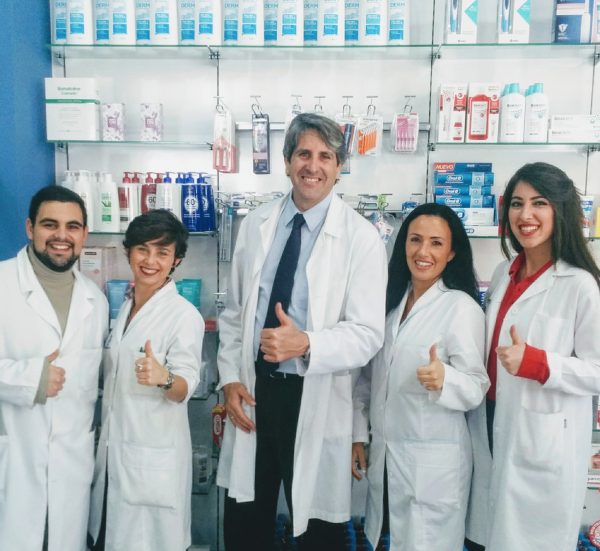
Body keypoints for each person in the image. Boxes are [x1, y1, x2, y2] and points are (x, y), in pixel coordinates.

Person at [216, 112, 387, 550]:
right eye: (304, 154)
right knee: (245, 524)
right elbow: (235, 313)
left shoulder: (361, 238)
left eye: (326, 156)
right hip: (254, 394)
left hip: (315, 394)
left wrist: (307, 343)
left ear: (340, 166)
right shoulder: (256, 225)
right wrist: (230, 378)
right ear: (287, 161)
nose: (313, 166)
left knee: (318, 533)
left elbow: (368, 333)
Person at [465, 162, 600, 551]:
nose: (525, 215)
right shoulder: (503, 272)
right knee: (486, 535)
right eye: (517, 203)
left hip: (542, 438)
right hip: (490, 420)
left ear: (560, 210)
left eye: (539, 203)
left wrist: (538, 364)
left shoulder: (580, 284)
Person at [352, 203, 489, 550]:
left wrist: (445, 379)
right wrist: (358, 435)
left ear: (452, 252)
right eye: (415, 240)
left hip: (434, 471)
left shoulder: (461, 308)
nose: (423, 252)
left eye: (436, 243)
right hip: (386, 460)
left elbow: (476, 385)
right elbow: (367, 380)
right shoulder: (389, 306)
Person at [88, 209, 204, 551]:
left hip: (151, 464)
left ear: (176, 260)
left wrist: (165, 378)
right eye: (142, 249)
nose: (150, 261)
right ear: (129, 252)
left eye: (162, 252)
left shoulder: (184, 316)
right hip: (113, 458)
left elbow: (185, 385)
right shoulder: (126, 307)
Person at [0, 185, 108, 551]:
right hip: (14, 465)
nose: (62, 236)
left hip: (72, 472)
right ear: (30, 228)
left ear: (84, 234)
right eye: (50, 224)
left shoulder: (95, 300)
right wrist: (29, 378)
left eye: (72, 226)